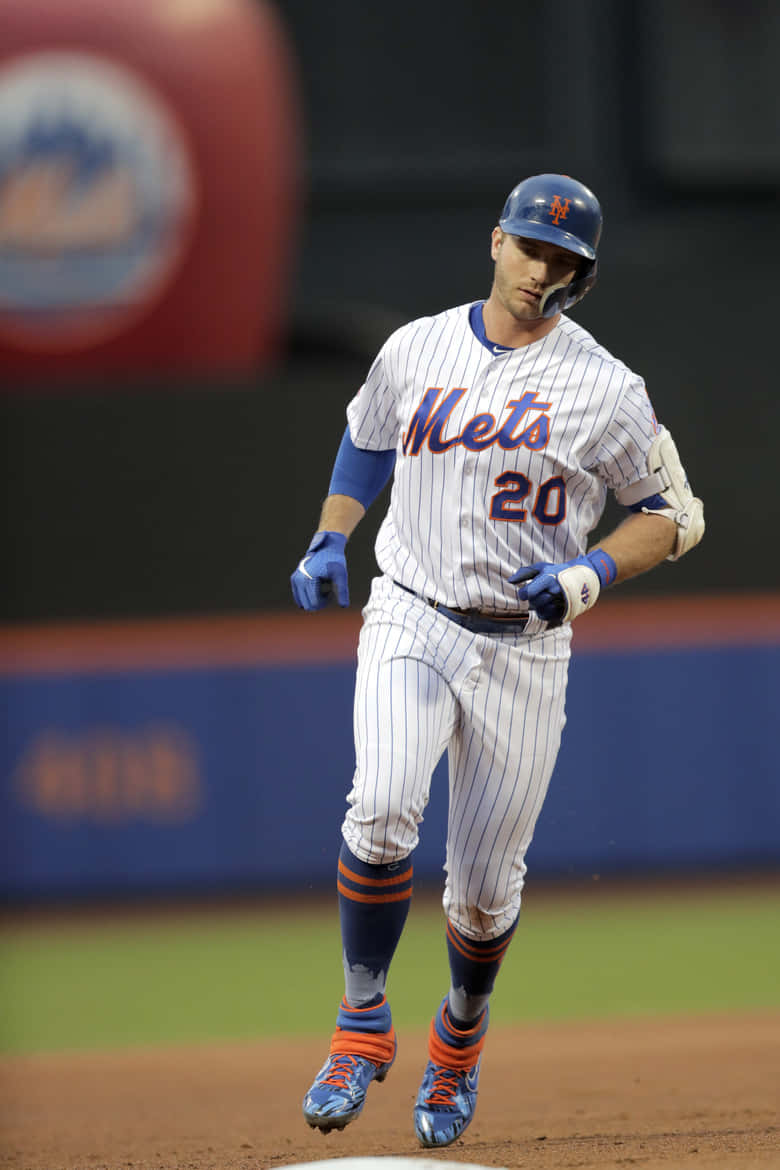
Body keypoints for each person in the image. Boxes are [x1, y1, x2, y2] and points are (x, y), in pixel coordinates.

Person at [290, 173, 704, 1149]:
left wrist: (589, 575)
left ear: (582, 279)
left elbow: (674, 516)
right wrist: (329, 536)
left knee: (483, 892)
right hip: (412, 613)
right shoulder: (415, 347)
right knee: (383, 806)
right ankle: (361, 1024)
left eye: (564, 261)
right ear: (496, 243)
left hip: (525, 646)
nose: (542, 270)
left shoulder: (604, 386)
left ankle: (460, 1037)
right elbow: (366, 440)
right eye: (530, 247)